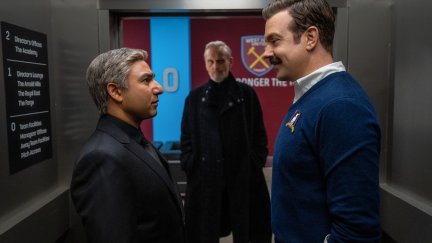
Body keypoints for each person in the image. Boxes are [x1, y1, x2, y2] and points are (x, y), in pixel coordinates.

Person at [262, 0, 381, 242]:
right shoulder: (314, 97)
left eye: (274, 41)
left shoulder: (341, 106)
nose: (266, 53)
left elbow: (356, 232)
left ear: (310, 37)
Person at [70, 48, 185, 243]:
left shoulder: (133, 140)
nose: (159, 88)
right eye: (146, 80)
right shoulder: (100, 157)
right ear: (115, 91)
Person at [180, 40, 272, 243]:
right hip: (205, 179)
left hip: (242, 177)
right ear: (205, 63)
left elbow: (259, 135)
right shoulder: (194, 99)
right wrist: (190, 163)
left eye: (220, 61)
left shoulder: (246, 94)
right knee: (204, 232)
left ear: (230, 62)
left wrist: (254, 162)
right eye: (210, 61)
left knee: (247, 230)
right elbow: (186, 138)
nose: (215, 67)